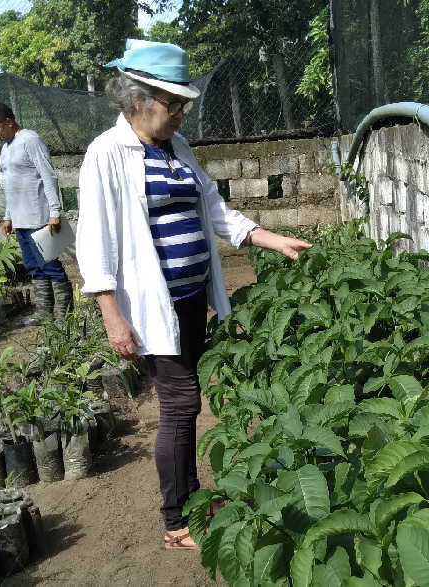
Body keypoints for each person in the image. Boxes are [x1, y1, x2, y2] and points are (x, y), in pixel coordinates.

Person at [75, 39, 312, 550]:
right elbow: (94, 240)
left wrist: (272, 239)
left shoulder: (177, 148)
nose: (182, 112)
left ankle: (190, 498)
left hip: (187, 300)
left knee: (187, 402)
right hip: (149, 308)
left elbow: (215, 209)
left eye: (184, 103)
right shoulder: (107, 154)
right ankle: (177, 520)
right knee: (181, 404)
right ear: (136, 99)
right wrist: (111, 316)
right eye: (172, 103)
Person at [0, 103, 72, 322]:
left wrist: (54, 211)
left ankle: (64, 314)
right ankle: (44, 311)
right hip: (21, 219)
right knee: (33, 266)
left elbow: (48, 176)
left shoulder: (30, 140)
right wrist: (7, 216)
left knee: (49, 264)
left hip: (39, 216)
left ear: (9, 122)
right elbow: (10, 185)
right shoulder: (5, 148)